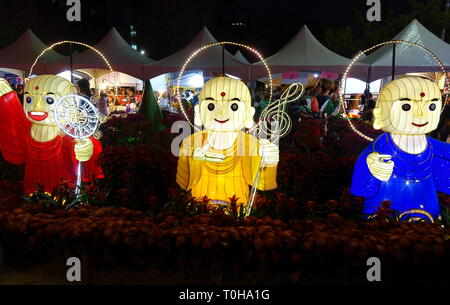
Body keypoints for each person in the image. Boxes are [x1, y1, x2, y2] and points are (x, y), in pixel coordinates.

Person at [350, 77, 450, 220]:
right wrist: (370, 164)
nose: (420, 114)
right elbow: (366, 162)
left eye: (431, 106)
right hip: (386, 201)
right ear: (381, 114)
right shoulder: (382, 145)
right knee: (384, 223)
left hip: (426, 204)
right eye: (406, 107)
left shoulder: (434, 147)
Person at [177, 76, 278, 207]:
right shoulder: (190, 143)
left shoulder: (251, 144)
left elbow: (263, 184)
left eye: (234, 106)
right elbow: (183, 183)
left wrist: (270, 161)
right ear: (199, 112)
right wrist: (192, 159)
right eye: (211, 106)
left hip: (237, 206)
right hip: (201, 207)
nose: (222, 111)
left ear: (248, 114)